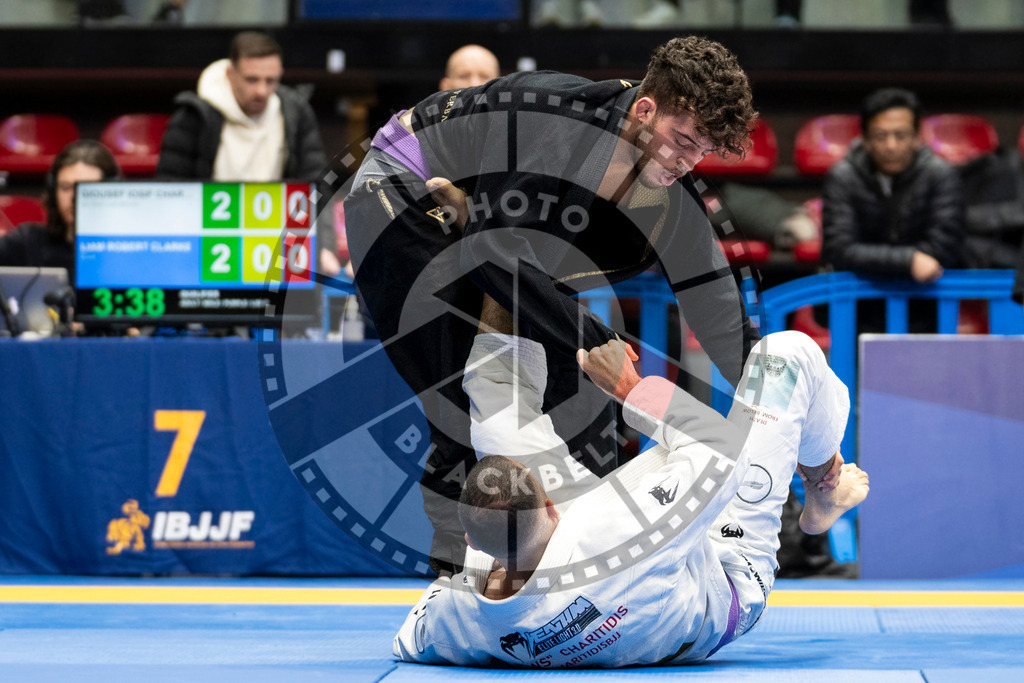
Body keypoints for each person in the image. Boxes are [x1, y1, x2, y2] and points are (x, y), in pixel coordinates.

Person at [344, 35, 761, 575]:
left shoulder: (670, 198)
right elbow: (492, 257)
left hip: (495, 230)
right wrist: (591, 335)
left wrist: (780, 411)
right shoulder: (558, 122)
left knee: (581, 396)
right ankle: (458, 580)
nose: (687, 161)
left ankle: (590, 563)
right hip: (404, 189)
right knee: (460, 401)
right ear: (644, 108)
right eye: (681, 140)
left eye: (701, 150)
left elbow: (722, 318)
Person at [394, 320, 869, 667]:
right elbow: (724, 454)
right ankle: (823, 483)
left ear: (472, 545)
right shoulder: (619, 535)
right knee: (786, 354)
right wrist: (630, 388)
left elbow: (408, 639)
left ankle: (504, 254)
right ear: (552, 503)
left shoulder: (459, 617)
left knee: (497, 404)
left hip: (603, 557)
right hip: (723, 573)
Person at [156, 31, 339, 276]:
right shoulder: (194, 116)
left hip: (274, 246)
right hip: (208, 245)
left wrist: (324, 247)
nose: (262, 91)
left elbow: (317, 185)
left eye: (271, 80)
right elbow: (170, 193)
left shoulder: (295, 112)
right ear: (230, 75)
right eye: (252, 80)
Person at [822, 87, 964, 285]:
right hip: (858, 297)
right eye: (881, 136)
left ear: (917, 138)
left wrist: (877, 260)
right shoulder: (843, 176)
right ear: (866, 140)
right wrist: (908, 260)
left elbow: (944, 249)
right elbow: (838, 249)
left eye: (901, 135)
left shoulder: (940, 175)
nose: (891, 146)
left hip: (924, 296)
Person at [0, 140, 120, 279]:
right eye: (65, 187)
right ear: (53, 191)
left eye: (86, 189)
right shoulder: (27, 241)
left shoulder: (127, 248)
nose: (74, 197)